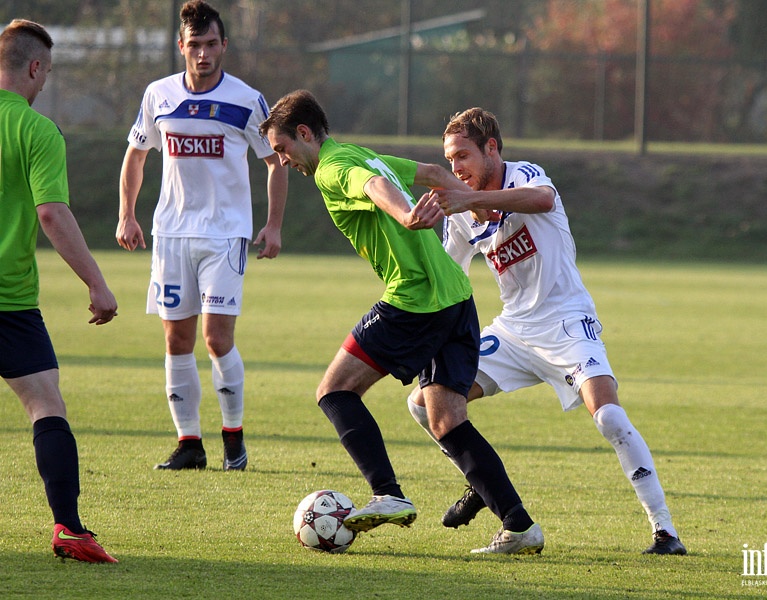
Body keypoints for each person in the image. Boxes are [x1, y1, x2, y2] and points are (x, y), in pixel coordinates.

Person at [258, 89, 543, 555]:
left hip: (415, 299)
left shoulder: (334, 168)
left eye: (283, 149)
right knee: (448, 421)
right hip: (457, 296)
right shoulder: (362, 152)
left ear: (304, 134)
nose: (283, 160)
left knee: (333, 391)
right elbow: (431, 173)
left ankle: (387, 493)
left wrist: (407, 214)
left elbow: (373, 188)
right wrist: (474, 203)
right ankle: (519, 526)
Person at [407, 107, 687, 555]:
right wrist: (413, 231)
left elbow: (543, 201)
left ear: (492, 149)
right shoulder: (459, 212)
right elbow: (448, 276)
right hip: (514, 330)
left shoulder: (523, 175)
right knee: (425, 403)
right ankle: (482, 483)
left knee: (610, 417)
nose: (455, 167)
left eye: (463, 155)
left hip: (566, 321)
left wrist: (470, 201)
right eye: (450, 159)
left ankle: (665, 532)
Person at [116, 0, 288, 471]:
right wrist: (126, 214)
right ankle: (189, 444)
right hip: (171, 233)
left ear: (224, 45)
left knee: (215, 338)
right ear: (181, 47)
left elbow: (276, 162)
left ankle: (233, 438)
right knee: (176, 340)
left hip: (225, 234)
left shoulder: (247, 100)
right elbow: (136, 155)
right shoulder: (159, 95)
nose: (203, 53)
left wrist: (272, 225)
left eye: (211, 44)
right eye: (194, 45)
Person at [0, 19, 118, 563]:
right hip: (11, 300)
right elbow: (50, 212)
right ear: (35, 67)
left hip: (14, 302)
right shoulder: (37, 131)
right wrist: (97, 283)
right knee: (46, 404)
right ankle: (68, 529)